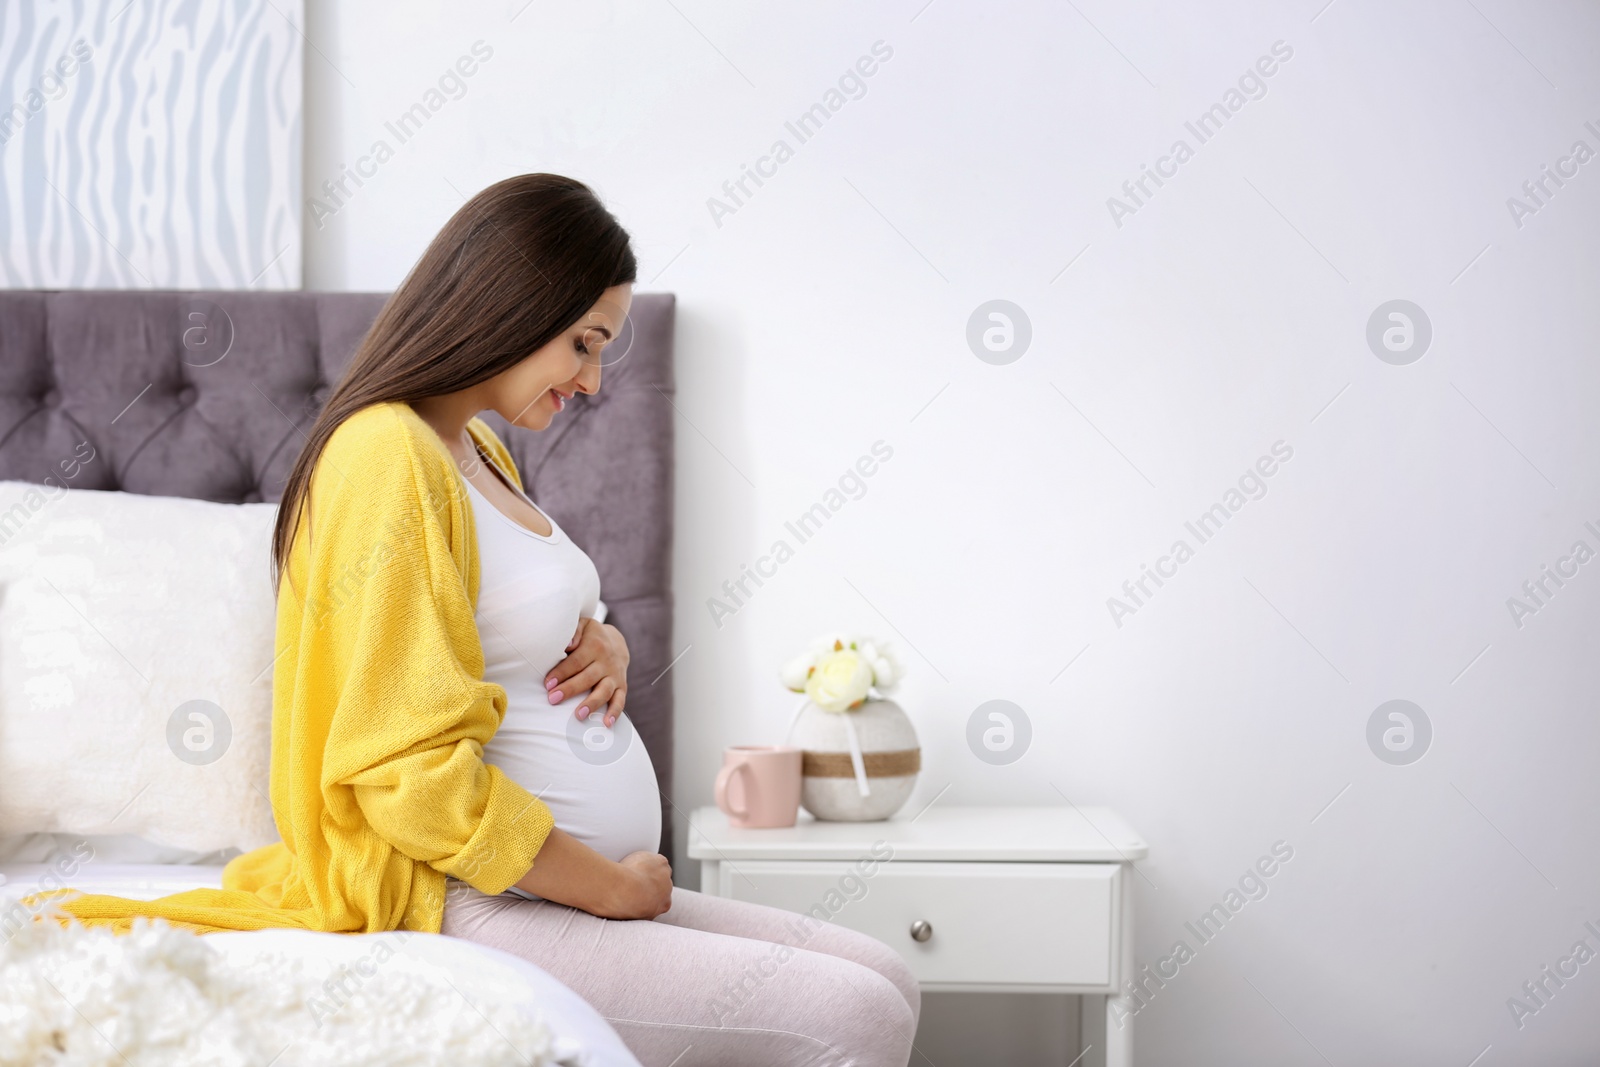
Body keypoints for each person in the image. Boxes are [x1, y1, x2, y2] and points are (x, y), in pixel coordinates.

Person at [56, 174, 918, 1067]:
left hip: (557, 885)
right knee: (855, 1014)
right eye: (583, 345)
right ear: (512, 303)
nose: (590, 381)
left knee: (884, 972)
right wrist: (610, 890)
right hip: (459, 894)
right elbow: (404, 771)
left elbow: (511, 619)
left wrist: (607, 638)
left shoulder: (478, 446)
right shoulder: (384, 454)